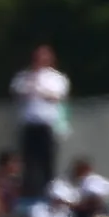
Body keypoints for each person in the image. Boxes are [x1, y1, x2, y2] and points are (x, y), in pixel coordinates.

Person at [11, 44, 71, 197]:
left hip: (46, 125)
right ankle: (31, 192)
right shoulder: (24, 76)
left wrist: (40, 90)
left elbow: (56, 96)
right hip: (29, 124)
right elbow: (17, 92)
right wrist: (31, 82)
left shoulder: (56, 78)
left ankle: (48, 191)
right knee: (29, 161)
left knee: (47, 161)